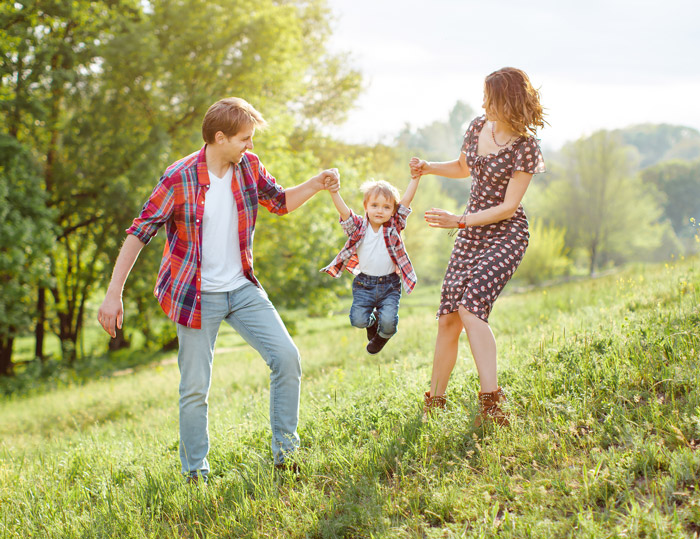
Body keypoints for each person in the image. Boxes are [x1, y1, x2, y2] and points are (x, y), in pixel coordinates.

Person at [97, 97, 339, 482]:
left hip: (241, 287)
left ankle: (285, 456)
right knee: (195, 388)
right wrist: (113, 294)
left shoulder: (249, 167)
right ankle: (196, 474)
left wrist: (316, 183)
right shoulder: (179, 177)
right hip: (196, 295)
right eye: (246, 138)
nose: (251, 146)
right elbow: (139, 232)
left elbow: (279, 203)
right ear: (220, 137)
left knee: (287, 358)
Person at [410, 67, 546, 426]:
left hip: (505, 234)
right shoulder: (477, 126)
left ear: (509, 101)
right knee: (448, 320)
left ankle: (492, 404)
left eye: (491, 97)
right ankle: (435, 404)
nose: (483, 103)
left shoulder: (526, 147)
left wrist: (459, 220)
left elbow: (508, 207)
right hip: (470, 233)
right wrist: (427, 168)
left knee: (471, 308)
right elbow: (461, 167)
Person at [321, 177, 420, 354]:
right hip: (364, 285)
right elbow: (344, 212)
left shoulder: (394, 226)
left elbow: (406, 202)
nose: (380, 211)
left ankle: (384, 335)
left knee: (389, 323)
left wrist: (415, 178)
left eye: (386, 207)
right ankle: (373, 322)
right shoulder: (358, 227)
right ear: (366, 206)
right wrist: (334, 192)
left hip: (389, 285)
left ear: (393, 211)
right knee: (358, 320)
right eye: (375, 205)